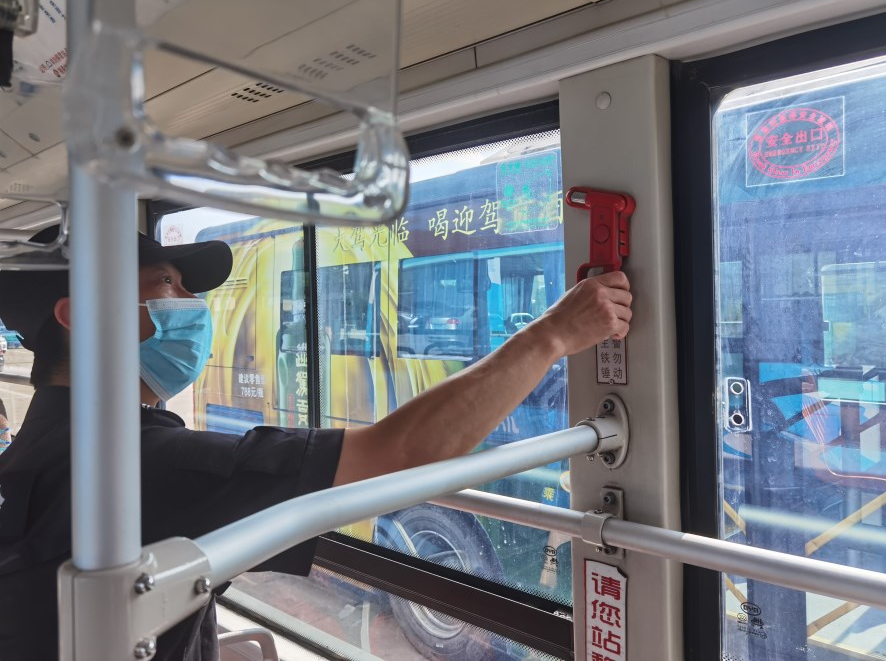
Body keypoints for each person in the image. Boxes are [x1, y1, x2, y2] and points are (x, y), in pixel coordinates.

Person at [0, 225, 632, 660]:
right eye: (168, 284)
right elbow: (401, 456)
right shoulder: (138, 464)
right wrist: (552, 335)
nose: (195, 305)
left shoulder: (42, 449)